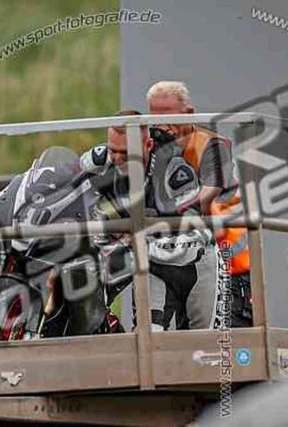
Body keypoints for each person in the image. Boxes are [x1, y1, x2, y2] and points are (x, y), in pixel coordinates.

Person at [80, 110, 216, 331]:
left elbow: (198, 236)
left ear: (148, 145)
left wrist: (142, 243)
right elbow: (65, 187)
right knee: (149, 335)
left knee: (206, 344)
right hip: (152, 265)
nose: (117, 159)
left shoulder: (174, 170)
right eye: (113, 150)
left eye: (126, 153)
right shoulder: (99, 162)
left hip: (195, 261)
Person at [146, 81, 253, 328]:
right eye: (155, 118)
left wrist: (163, 216)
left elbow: (207, 195)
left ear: (190, 113)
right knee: (174, 341)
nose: (162, 126)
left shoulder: (212, 145)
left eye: (169, 117)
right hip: (178, 262)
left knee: (223, 342)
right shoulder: (153, 150)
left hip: (228, 265)